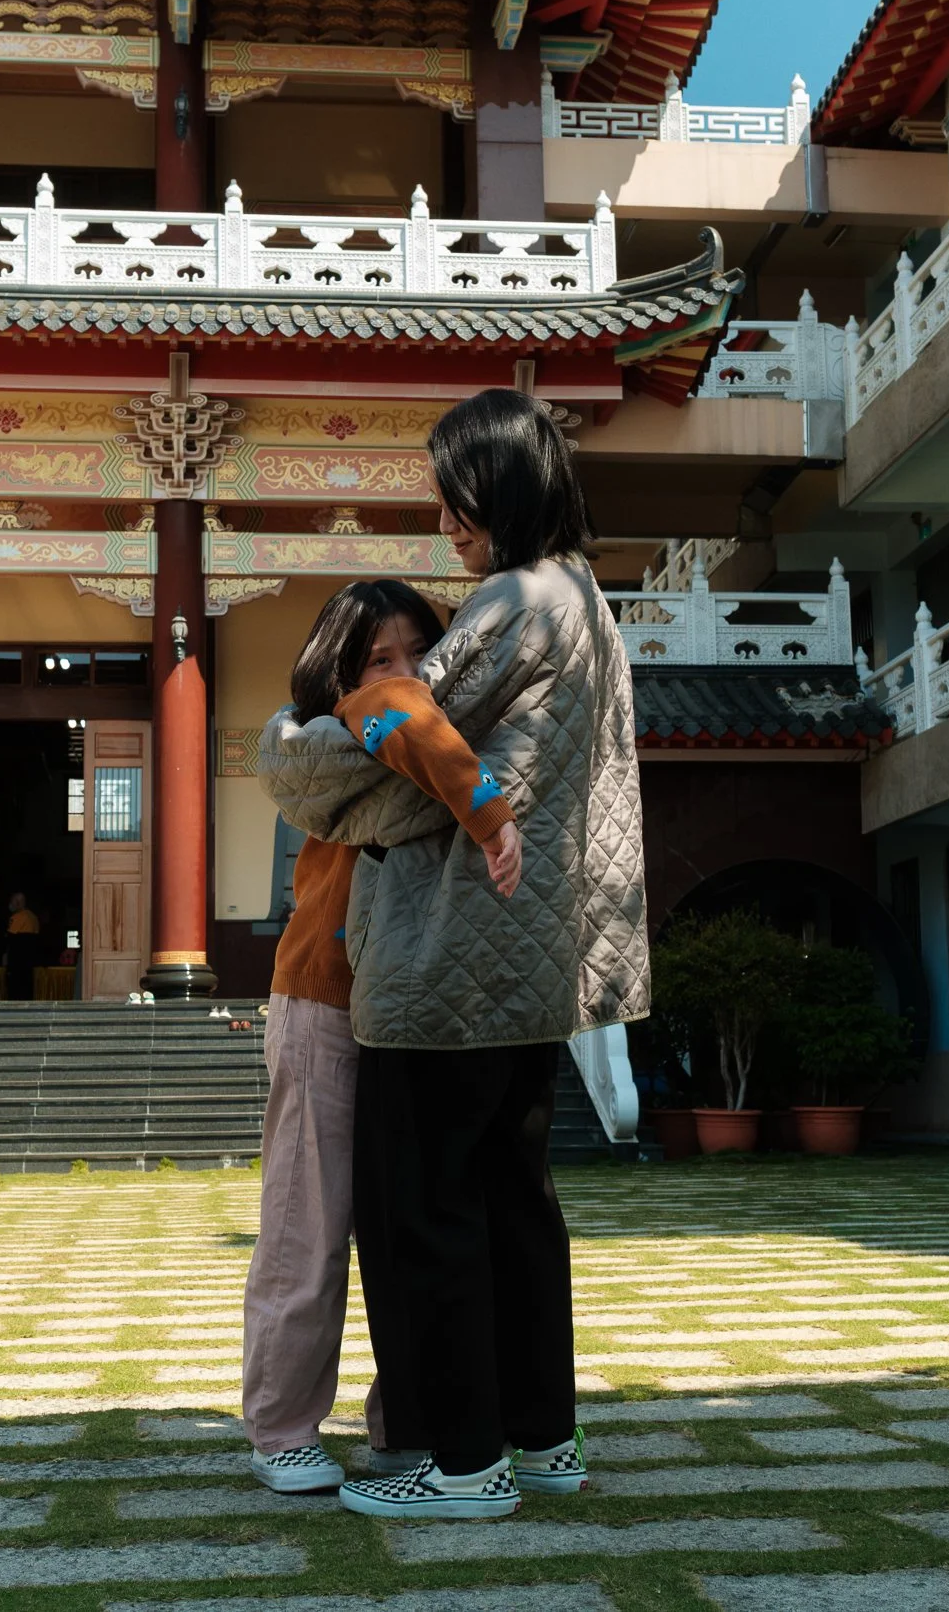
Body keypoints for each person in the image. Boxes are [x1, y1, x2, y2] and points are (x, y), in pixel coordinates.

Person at [260, 388, 647, 1520]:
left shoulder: (517, 599)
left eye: (456, 497)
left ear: (502, 488)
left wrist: (288, 749)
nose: (446, 524)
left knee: (423, 1212)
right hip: (533, 961)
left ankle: (463, 1464)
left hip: (447, 960)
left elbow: (391, 750)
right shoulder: (586, 601)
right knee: (516, 1207)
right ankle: (542, 1438)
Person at [242, 579, 523, 1495]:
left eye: (416, 653)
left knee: (410, 1230)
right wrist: (488, 812)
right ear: (340, 670)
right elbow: (403, 714)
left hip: (416, 1004)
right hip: (326, 995)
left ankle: (409, 1423)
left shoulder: (434, 740)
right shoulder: (348, 735)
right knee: (308, 1226)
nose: (402, 675)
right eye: (378, 657)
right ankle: (283, 1427)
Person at [2, 891, 43, 999]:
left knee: (16, 991)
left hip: (17, 962)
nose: (10, 904)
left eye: (11, 902)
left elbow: (10, 938)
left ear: (17, 903)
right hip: (30, 962)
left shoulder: (16, 918)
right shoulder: (33, 917)